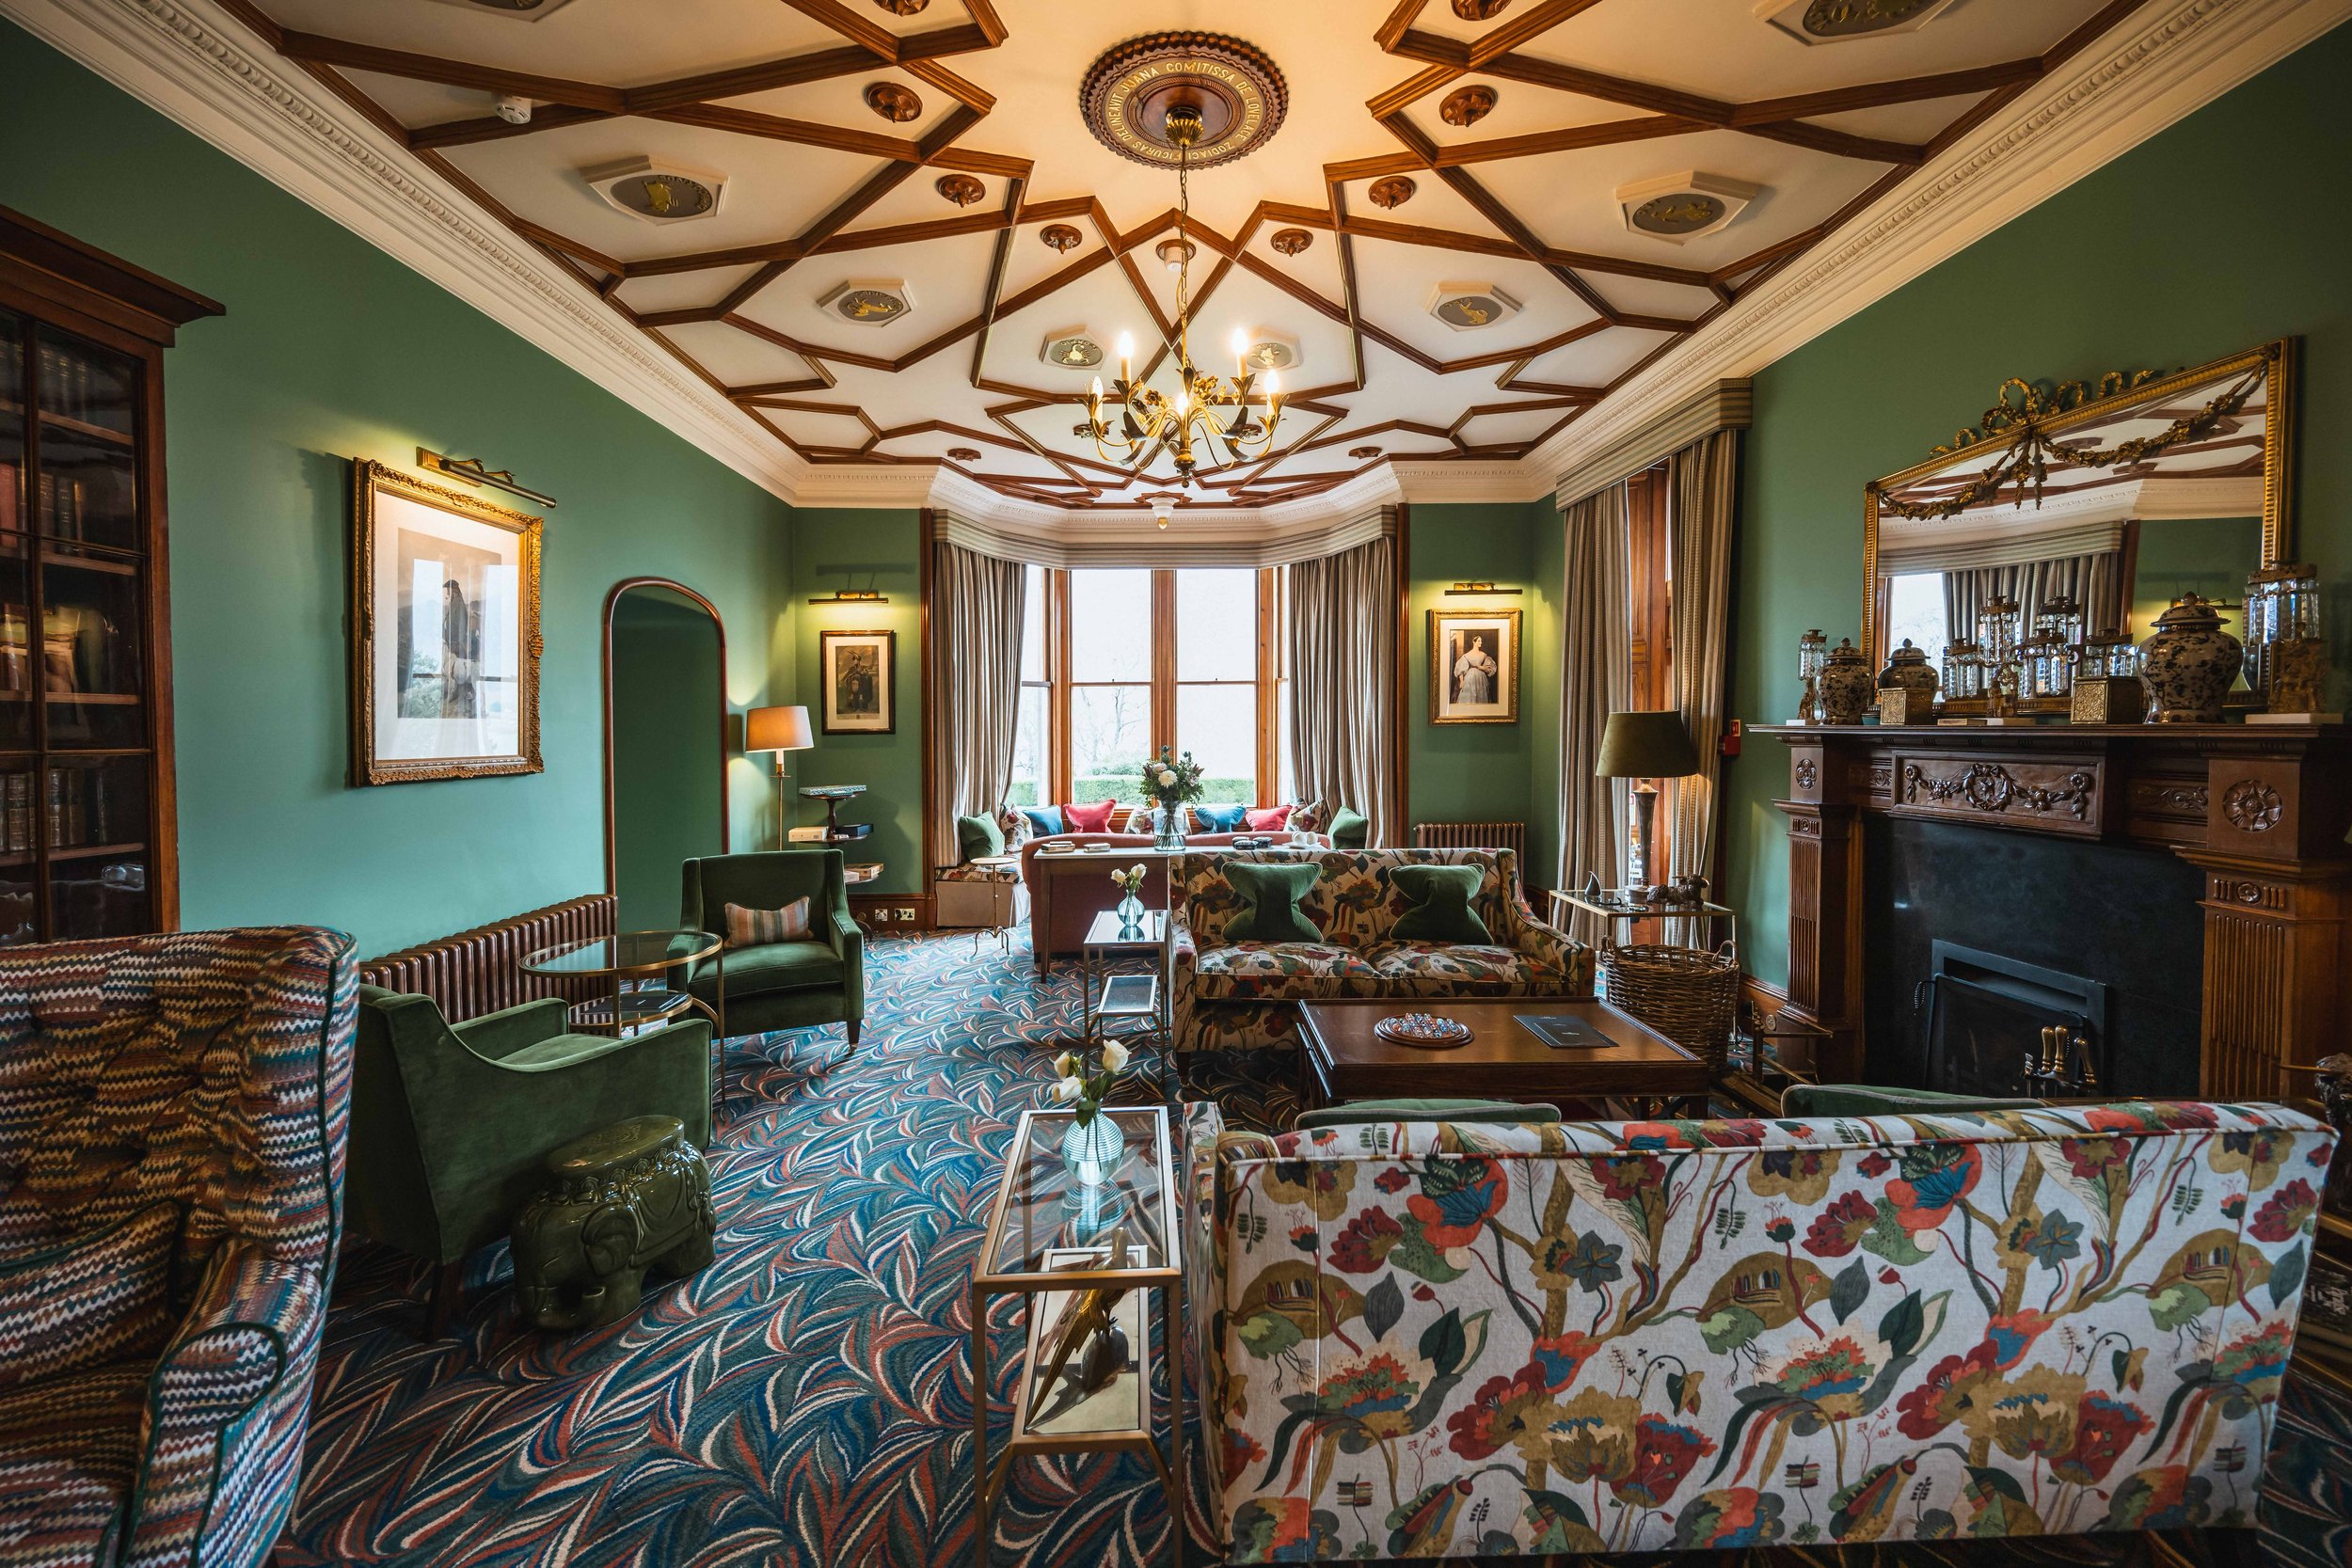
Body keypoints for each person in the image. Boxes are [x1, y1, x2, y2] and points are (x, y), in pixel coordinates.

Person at [1454, 633, 1496, 705]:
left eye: (1481, 641)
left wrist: (1482, 667)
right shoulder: (1467, 655)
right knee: (1470, 696)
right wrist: (1462, 681)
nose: (1481, 642)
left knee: (1481, 695)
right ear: (1474, 642)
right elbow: (1460, 669)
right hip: (1470, 677)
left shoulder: (1483, 654)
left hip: (1481, 677)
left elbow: (1490, 668)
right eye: (1479, 641)